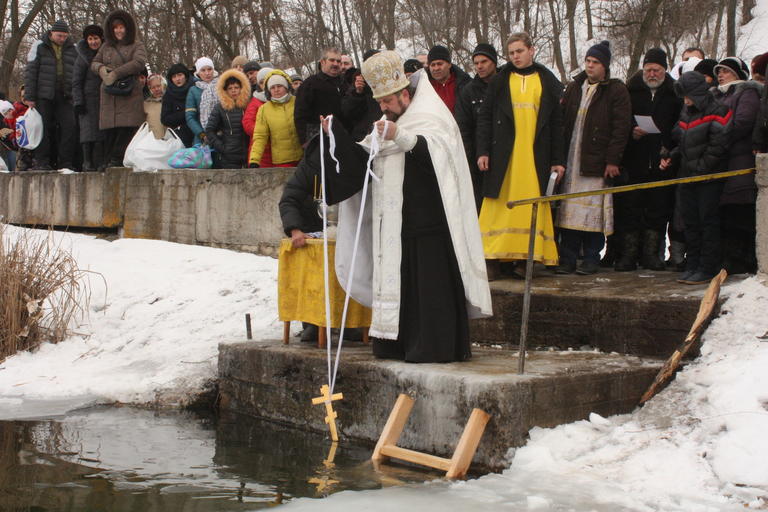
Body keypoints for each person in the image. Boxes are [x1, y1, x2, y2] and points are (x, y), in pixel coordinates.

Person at [314, 51, 492, 363]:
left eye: (386, 101)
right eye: (379, 101)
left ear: (404, 94)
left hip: (431, 225)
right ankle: (396, 344)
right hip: (395, 225)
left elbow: (440, 158)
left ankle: (433, 347)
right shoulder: (387, 122)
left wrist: (403, 136)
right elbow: (362, 161)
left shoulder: (431, 115)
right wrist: (335, 135)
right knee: (402, 287)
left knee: (429, 289)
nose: (382, 108)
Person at [476, 32, 565, 279]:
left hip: (535, 155)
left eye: (520, 51)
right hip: (503, 154)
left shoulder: (547, 80)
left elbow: (557, 124)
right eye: (512, 52)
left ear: (531, 50)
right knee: (498, 208)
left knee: (530, 206)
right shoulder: (500, 80)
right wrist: (483, 151)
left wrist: (558, 160)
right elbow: (484, 117)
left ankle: (526, 259)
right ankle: (492, 259)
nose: (516, 56)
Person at [556, 40, 631, 275]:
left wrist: (612, 160)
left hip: (596, 161)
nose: (590, 66)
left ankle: (591, 257)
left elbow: (621, 128)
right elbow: (562, 121)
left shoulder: (616, 90)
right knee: (568, 210)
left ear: (604, 66)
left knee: (592, 211)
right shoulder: (574, 87)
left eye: (595, 62)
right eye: (588, 61)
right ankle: (567, 258)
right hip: (571, 156)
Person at [661, 71, 732, 285]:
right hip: (687, 176)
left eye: (688, 96)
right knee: (690, 223)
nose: (685, 101)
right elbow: (681, 141)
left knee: (707, 222)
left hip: (709, 178)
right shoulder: (686, 112)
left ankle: (707, 266)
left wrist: (700, 169)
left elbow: (718, 146)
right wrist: (671, 156)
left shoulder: (720, 110)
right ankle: (692, 264)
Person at [614, 48, 682, 272]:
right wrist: (633, 131)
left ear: (664, 70)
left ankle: (651, 255)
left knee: (657, 209)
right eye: (649, 69)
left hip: (662, 160)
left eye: (657, 70)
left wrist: (669, 148)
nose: (652, 74)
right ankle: (628, 255)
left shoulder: (674, 94)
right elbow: (621, 121)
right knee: (630, 208)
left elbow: (679, 126)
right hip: (635, 158)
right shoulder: (631, 91)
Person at [712, 57, 762, 275]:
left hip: (739, 161)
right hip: (721, 162)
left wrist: (715, 135)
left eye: (726, 71)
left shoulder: (746, 92)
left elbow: (742, 122)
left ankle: (742, 259)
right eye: (719, 72)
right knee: (724, 214)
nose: (721, 75)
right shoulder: (717, 95)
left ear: (738, 74)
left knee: (739, 212)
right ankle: (727, 258)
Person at [91, 10, 147, 168]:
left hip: (128, 92)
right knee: (110, 132)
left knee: (126, 130)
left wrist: (116, 73)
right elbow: (94, 62)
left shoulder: (137, 45)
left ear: (127, 28)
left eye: (121, 27)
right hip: (110, 95)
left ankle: (118, 159)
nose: (118, 31)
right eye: (116, 28)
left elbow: (139, 63)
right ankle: (108, 161)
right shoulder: (106, 47)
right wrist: (101, 69)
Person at [24, 20, 78, 170]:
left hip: (65, 95)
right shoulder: (39, 45)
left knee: (70, 126)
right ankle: (42, 161)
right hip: (44, 94)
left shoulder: (73, 49)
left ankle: (65, 162)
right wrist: (30, 96)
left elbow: (76, 72)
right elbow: (31, 71)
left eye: (65, 36)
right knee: (42, 128)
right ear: (51, 33)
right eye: (59, 36)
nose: (62, 39)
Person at [455, 43, 498, 210]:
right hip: (479, 158)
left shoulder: (506, 84)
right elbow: (463, 128)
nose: (480, 66)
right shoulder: (468, 92)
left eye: (484, 61)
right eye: (476, 63)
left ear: (494, 62)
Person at [248, 70, 303, 168]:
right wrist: (254, 159)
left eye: (279, 86)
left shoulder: (298, 102)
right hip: (282, 161)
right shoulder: (264, 110)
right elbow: (260, 136)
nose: (276, 90)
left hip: (303, 157)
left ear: (286, 87)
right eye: (272, 87)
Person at [294, 47, 347, 145]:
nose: (335, 64)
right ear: (323, 62)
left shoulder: (345, 83)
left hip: (345, 138)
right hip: (319, 140)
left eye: (338, 61)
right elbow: (300, 115)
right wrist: (305, 141)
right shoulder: (309, 85)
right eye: (331, 60)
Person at [72, 24, 105, 171]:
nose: (93, 42)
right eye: (90, 39)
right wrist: (78, 101)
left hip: (104, 99)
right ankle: (87, 162)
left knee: (101, 134)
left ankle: (100, 161)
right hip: (87, 100)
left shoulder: (106, 54)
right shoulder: (82, 58)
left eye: (95, 38)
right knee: (87, 133)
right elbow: (76, 82)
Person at [205, 69, 250, 168]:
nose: (233, 90)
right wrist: (222, 148)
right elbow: (209, 130)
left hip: (247, 154)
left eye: (236, 87)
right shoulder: (220, 108)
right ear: (225, 90)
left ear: (242, 88)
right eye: (230, 88)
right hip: (228, 157)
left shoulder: (248, 106)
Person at [342, 50, 382, 142]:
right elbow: (347, 112)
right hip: (364, 135)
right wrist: (357, 93)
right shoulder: (358, 82)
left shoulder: (389, 80)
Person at [242, 66, 274, 167]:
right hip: (261, 151)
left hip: (280, 149)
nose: (265, 85)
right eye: (261, 82)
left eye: (268, 80)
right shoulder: (255, 101)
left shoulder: (282, 99)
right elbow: (247, 123)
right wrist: (264, 131)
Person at [426, 45, 471, 114]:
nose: (436, 68)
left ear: (449, 64)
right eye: (432, 65)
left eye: (440, 64)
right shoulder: (425, 87)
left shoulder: (465, 84)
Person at [186, 57, 218, 146]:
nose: (207, 73)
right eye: (203, 70)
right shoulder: (193, 90)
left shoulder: (222, 86)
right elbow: (190, 117)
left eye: (209, 69)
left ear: (213, 70)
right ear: (198, 73)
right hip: (202, 139)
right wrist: (202, 135)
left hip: (222, 135)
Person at [161, 63, 194, 147]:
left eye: (180, 75)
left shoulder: (195, 88)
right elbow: (165, 119)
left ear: (185, 76)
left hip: (198, 134)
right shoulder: (168, 95)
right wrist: (187, 113)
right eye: (174, 76)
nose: (177, 79)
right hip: (180, 138)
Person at [144, 74, 167, 138]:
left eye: (158, 86)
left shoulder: (170, 100)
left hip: (172, 142)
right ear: (150, 89)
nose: (156, 89)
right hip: (154, 143)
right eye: (153, 87)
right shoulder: (146, 105)